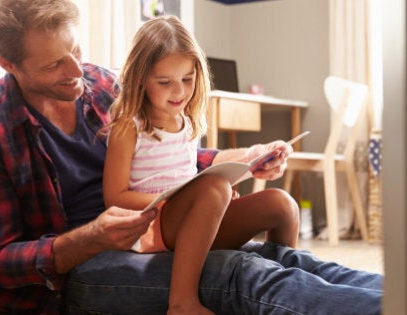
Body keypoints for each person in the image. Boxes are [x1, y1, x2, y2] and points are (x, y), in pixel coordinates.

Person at [0, 0, 383, 314]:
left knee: (284, 258)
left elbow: (168, 158)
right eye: (54, 65)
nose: (76, 71)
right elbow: (0, 263)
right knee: (242, 273)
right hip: (79, 271)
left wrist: (244, 158)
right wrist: (91, 237)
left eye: (76, 52)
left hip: (160, 223)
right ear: (9, 65)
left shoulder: (101, 85)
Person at [102, 16, 299, 315]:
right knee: (214, 187)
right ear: (140, 79)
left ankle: (280, 286)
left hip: (193, 221)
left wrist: (252, 162)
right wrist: (183, 197)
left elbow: (192, 174)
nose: (179, 91)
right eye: (165, 82)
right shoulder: (129, 127)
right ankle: (182, 302)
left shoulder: (188, 121)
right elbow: (114, 199)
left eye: (188, 78)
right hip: (153, 226)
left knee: (281, 204)